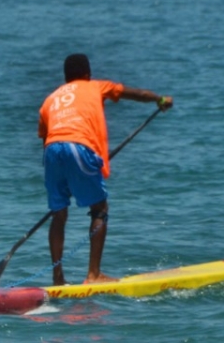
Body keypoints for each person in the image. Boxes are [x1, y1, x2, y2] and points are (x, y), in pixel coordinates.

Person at [38, 53, 173, 285]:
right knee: (99, 207)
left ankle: (57, 278)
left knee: (59, 214)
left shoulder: (50, 99)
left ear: (65, 76)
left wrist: (67, 174)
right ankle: (93, 275)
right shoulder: (96, 86)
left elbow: (46, 137)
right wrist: (159, 100)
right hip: (78, 146)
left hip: (51, 151)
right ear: (88, 74)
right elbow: (138, 94)